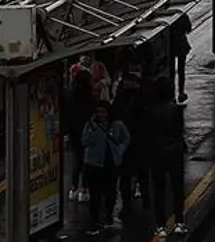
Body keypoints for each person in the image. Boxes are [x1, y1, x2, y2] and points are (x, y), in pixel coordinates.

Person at [147, 78, 188, 237]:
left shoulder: (150, 110)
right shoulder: (175, 110)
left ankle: (160, 225)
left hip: (157, 152)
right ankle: (179, 221)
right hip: (174, 152)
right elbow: (179, 131)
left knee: (159, 189)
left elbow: (147, 134)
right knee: (177, 188)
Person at [81, 101, 130, 234]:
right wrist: (94, 128)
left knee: (111, 192)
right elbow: (85, 141)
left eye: (103, 112)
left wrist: (120, 149)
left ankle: (108, 217)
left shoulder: (117, 125)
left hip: (111, 164)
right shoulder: (90, 126)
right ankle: (94, 221)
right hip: (94, 164)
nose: (101, 115)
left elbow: (126, 138)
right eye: (98, 112)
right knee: (95, 194)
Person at [112, 67, 152, 220]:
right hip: (125, 144)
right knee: (125, 177)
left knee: (141, 175)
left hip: (139, 142)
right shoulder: (120, 99)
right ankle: (127, 205)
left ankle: (146, 201)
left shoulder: (142, 98)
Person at [65, 68, 95, 202]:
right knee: (87, 160)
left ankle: (73, 187)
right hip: (87, 130)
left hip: (73, 131)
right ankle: (84, 188)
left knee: (77, 159)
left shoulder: (70, 95)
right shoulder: (89, 97)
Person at [169, 17, 191, 103]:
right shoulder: (182, 16)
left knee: (171, 71)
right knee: (181, 70)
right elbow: (188, 29)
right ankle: (181, 92)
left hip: (170, 46)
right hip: (181, 45)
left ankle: (171, 94)